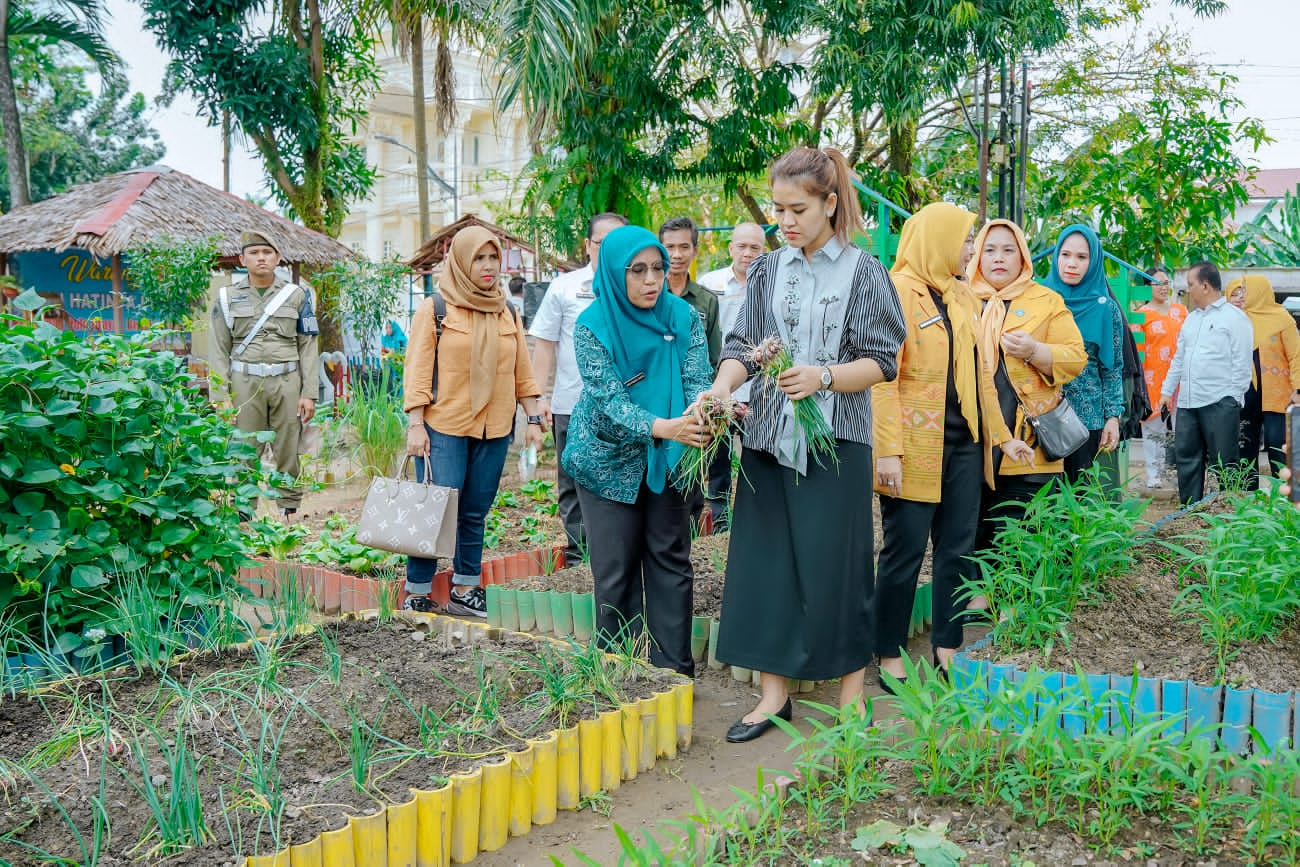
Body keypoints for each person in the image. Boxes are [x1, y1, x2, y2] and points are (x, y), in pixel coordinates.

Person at [705, 146, 907, 742]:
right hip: (768, 439)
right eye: (778, 211)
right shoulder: (768, 270)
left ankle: (850, 695)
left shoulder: (865, 272)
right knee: (767, 569)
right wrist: (722, 389)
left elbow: (884, 360)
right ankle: (773, 697)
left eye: (797, 209)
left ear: (830, 203)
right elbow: (744, 346)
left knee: (837, 569)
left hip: (837, 441)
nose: (784, 222)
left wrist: (823, 376)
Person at [872, 208, 1034, 688]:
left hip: (965, 444)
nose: (971, 251)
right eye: (964, 241)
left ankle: (948, 645)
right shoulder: (896, 291)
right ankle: (888, 652)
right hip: (914, 444)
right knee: (903, 553)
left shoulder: (963, 295)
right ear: (936, 240)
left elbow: (981, 376)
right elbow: (884, 379)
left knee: (958, 549)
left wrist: (1003, 436)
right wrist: (886, 451)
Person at [561, 225, 714, 676]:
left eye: (658, 268)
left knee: (670, 560)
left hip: (669, 459)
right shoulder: (593, 326)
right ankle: (620, 674)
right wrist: (666, 427)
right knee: (616, 571)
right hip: (606, 463)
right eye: (638, 270)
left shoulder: (683, 317)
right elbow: (609, 403)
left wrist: (706, 410)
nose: (652, 280)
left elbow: (698, 378)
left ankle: (672, 674)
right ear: (613, 273)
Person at [402, 226, 547, 616]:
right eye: (478, 258)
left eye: (493, 258)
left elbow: (522, 369)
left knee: (474, 510)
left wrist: (533, 416)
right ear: (462, 262)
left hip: (496, 426)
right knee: (435, 508)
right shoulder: (436, 308)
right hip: (444, 425)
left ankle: (466, 587)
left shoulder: (507, 310)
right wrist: (416, 424)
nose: (487, 267)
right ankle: (417, 590)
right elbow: (417, 369)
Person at [967, 219, 1087, 560]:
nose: (998, 258)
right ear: (977, 256)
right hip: (974, 435)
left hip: (1030, 436)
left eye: (1009, 250)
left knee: (1020, 526)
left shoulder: (1045, 300)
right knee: (975, 523)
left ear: (1023, 257)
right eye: (989, 250)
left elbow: (1076, 357)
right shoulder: (962, 299)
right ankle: (980, 598)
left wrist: (1036, 350)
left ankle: (1011, 603)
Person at [530, 213, 629, 566]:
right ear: (587, 246)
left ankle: (616, 554)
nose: (609, 250)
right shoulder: (564, 287)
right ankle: (578, 557)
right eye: (602, 242)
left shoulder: (639, 285)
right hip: (572, 405)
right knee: (572, 483)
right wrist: (537, 398)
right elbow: (544, 345)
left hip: (625, 408)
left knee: (620, 480)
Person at [210, 230, 320, 518]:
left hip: (287, 382)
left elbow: (308, 346)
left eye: (267, 252)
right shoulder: (226, 297)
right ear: (242, 259)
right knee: (245, 451)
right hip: (244, 383)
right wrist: (221, 396)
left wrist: (309, 393)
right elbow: (219, 349)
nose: (261, 258)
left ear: (278, 258)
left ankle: (289, 513)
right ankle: (244, 518)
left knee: (289, 449)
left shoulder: (296, 296)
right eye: (255, 253)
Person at [1158, 262, 1254, 504]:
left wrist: (1233, 398)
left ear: (1205, 285)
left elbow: (1242, 362)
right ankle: (1189, 516)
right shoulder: (1191, 320)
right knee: (1187, 460)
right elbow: (1179, 359)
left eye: (1191, 285)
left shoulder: (1235, 318)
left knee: (1225, 464)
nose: (1188, 290)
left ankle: (1230, 515)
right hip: (1189, 403)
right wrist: (1167, 391)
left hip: (1220, 401)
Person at [697, 221, 767, 530]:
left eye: (755, 247)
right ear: (730, 249)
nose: (748, 253)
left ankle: (755, 521)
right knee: (718, 459)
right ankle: (720, 521)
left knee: (759, 459)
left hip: (761, 392)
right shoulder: (710, 284)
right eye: (742, 246)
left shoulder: (773, 284)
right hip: (721, 388)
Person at [1042, 225, 1126, 483]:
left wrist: (1112, 417)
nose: (1072, 264)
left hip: (1086, 421)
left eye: (1082, 257)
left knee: (1081, 495)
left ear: (1093, 261)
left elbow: (1112, 368)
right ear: (1056, 257)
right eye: (1065, 255)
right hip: (1041, 415)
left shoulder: (1105, 308)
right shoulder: (1039, 300)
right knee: (1044, 500)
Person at [660, 216, 723, 528]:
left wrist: (707, 403)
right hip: (656, 403)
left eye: (684, 246)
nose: (676, 254)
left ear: (695, 251)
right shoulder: (646, 295)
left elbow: (713, 357)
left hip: (692, 403)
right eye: (669, 247)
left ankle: (689, 530)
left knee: (690, 475)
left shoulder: (706, 300)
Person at [1228, 275, 1300, 483]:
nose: (1243, 295)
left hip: (1277, 393)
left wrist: (1298, 388)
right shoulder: (1238, 319)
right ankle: (1246, 495)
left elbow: (1295, 354)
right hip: (1245, 391)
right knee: (1245, 442)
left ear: (1260, 291)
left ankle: (1283, 496)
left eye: (1246, 290)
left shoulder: (1282, 318)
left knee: (1277, 442)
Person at [1135, 267, 1187, 487]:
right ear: (1147, 287)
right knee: (1153, 428)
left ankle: (1182, 473)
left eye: (1166, 282)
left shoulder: (1181, 311)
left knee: (1183, 427)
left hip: (1182, 380)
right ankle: (1153, 474)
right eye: (1157, 283)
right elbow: (1137, 353)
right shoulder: (1140, 316)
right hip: (1152, 380)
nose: (1163, 287)